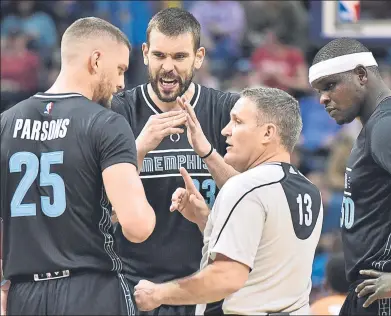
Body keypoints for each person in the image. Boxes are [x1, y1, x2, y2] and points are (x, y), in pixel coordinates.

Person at [0, 17, 156, 315]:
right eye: (120, 69)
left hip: (24, 294)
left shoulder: (5, 124)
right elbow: (137, 226)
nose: (122, 83)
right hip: (89, 291)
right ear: (96, 60)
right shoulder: (106, 123)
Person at [133, 87, 324, 315]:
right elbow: (263, 255)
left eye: (237, 122)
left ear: (267, 133)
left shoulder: (245, 187)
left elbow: (227, 276)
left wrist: (158, 294)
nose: (226, 130)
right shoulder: (309, 190)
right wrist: (205, 219)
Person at [111, 8, 239, 315]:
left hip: (205, 286)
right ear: (144, 54)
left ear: (198, 57)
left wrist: (208, 153)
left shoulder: (227, 110)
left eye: (179, 57)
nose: (168, 67)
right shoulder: (117, 112)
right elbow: (95, 202)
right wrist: (138, 148)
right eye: (159, 55)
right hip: (133, 286)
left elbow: (250, 195)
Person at [309, 38, 391, 315]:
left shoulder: (388, 123)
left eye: (330, 85)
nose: (323, 98)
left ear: (361, 75)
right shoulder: (381, 121)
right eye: (319, 90)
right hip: (374, 289)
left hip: (389, 291)